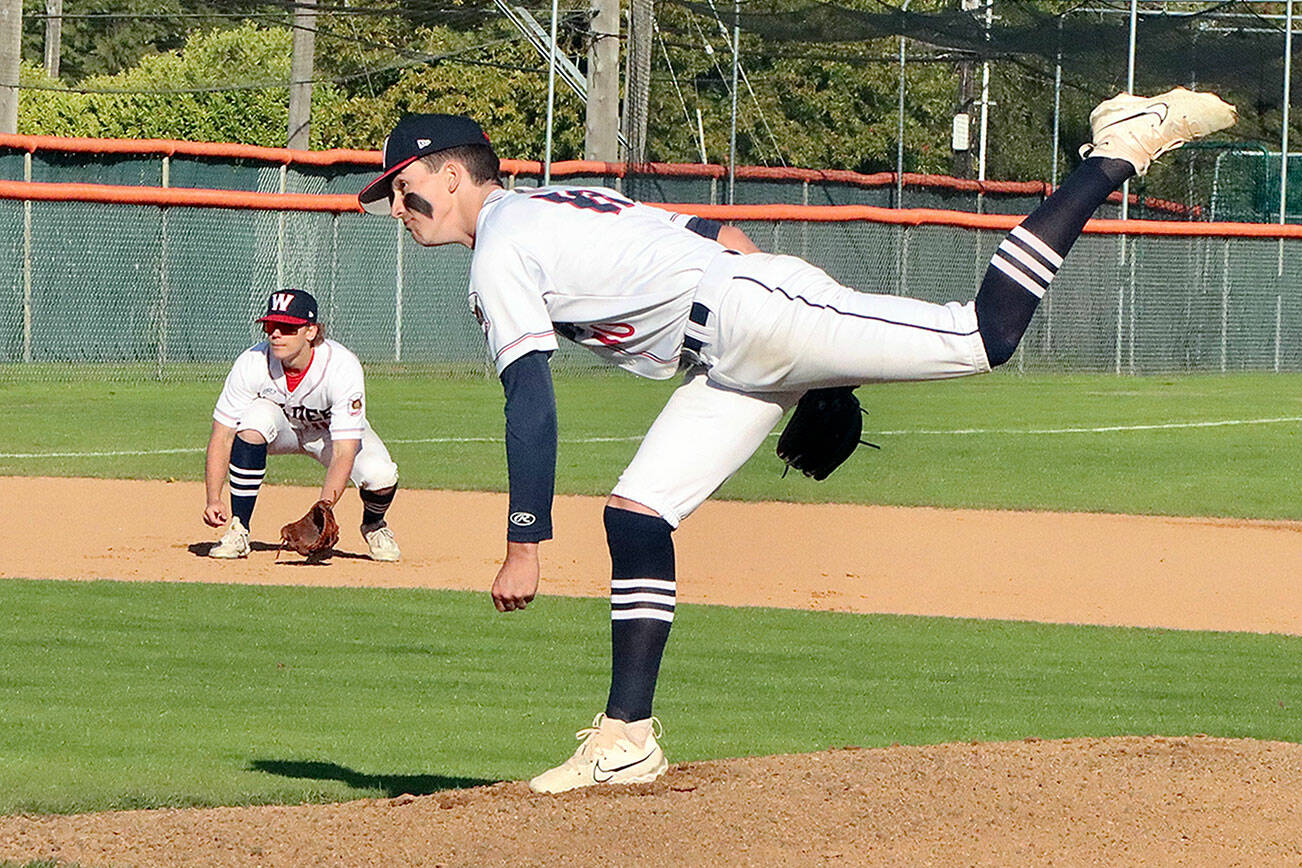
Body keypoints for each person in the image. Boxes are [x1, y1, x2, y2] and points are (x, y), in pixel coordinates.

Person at [357, 88, 1235, 792]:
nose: (398, 206)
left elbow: (530, 398)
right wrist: (815, 371)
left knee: (981, 337)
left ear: (450, 170)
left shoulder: (500, 248)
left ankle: (1115, 151)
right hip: (736, 347)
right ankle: (626, 739)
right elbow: (709, 231)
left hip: (749, 316)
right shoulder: (547, 206)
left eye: (403, 186)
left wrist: (524, 543)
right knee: (636, 516)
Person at [203, 288, 402, 563]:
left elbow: (345, 451)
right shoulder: (252, 362)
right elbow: (222, 435)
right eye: (271, 326)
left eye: (286, 327)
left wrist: (322, 511)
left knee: (380, 474)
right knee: (253, 420)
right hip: (283, 429)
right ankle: (239, 528)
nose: (275, 334)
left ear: (310, 332)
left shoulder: (341, 367)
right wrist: (213, 498)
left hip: (330, 436)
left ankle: (374, 524)